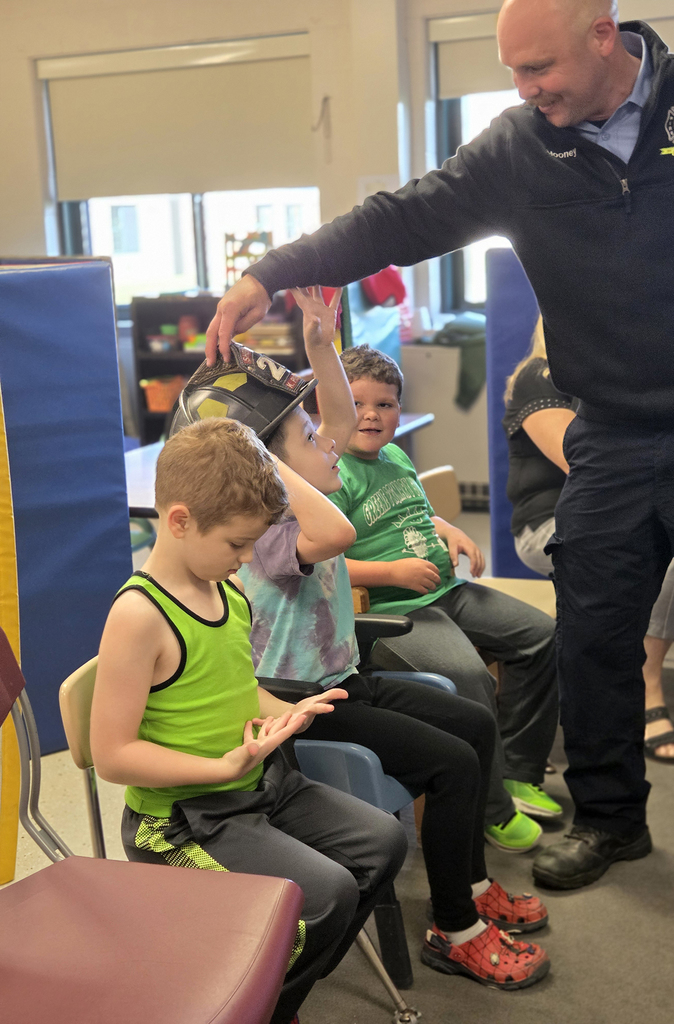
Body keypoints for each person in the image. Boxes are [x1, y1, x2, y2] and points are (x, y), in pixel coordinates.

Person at [205, 0, 674, 949]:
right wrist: (275, 269)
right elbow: (402, 216)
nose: (527, 89)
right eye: (513, 72)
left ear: (605, 36)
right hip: (612, 433)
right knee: (589, 636)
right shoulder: (518, 148)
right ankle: (608, 820)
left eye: (539, 68)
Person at [235, 285, 551, 990]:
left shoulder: (311, 476)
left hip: (343, 677)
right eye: (313, 440)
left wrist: (320, 340)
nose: (333, 441)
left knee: (472, 723)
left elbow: (338, 417)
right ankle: (455, 926)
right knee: (453, 764)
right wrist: (260, 443)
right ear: (278, 467)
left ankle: (469, 889)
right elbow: (341, 533)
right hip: (298, 701)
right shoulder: (274, 529)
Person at [90, 416, 409, 1024]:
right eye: (237, 545)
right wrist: (219, 764)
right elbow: (111, 754)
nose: (245, 560)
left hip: (256, 786)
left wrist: (285, 712)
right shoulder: (138, 615)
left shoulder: (225, 588)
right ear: (180, 521)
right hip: (183, 821)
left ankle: (265, 999)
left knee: (381, 844)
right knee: (326, 897)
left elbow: (237, 688)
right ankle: (240, 1004)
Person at [330, 342, 561, 848]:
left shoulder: (393, 455)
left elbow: (410, 513)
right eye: (356, 404)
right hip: (397, 613)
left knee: (542, 637)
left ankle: (518, 773)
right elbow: (319, 565)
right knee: (468, 679)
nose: (371, 415)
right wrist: (391, 571)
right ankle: (492, 808)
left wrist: (447, 527)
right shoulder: (329, 475)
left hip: (447, 592)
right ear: (331, 406)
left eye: (385, 404)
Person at [504, 317, 674, 764]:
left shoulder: (617, 383)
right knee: (671, 555)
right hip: (549, 525)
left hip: (617, 513)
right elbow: (585, 468)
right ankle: (649, 680)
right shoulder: (539, 376)